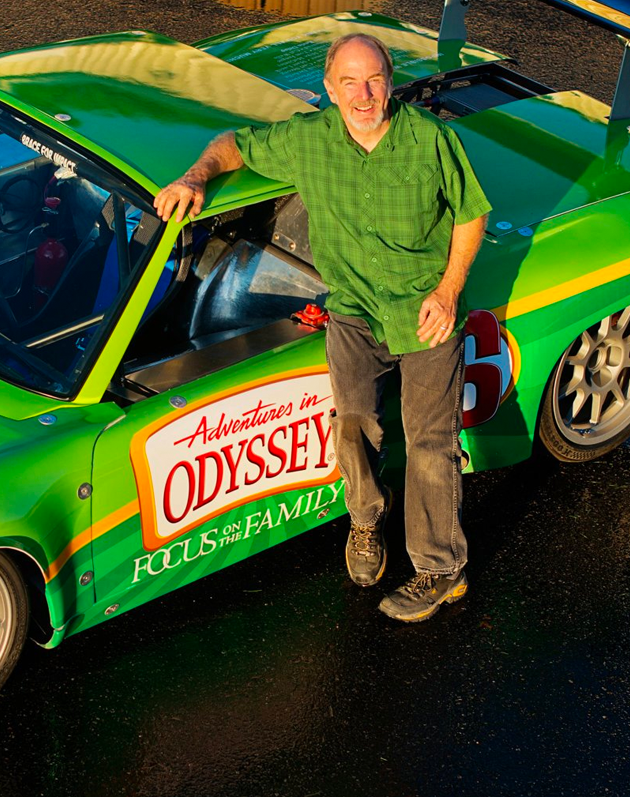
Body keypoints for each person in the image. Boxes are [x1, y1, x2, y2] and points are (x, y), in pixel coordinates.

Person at [154, 33, 491, 622]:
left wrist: (448, 290)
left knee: (429, 441)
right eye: (350, 83)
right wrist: (194, 176)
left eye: (375, 80)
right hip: (355, 309)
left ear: (390, 81)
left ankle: (441, 569)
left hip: (422, 309)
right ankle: (366, 524)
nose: (365, 95)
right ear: (331, 89)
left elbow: (472, 213)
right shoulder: (310, 141)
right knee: (355, 423)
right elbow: (233, 144)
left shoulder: (431, 139)